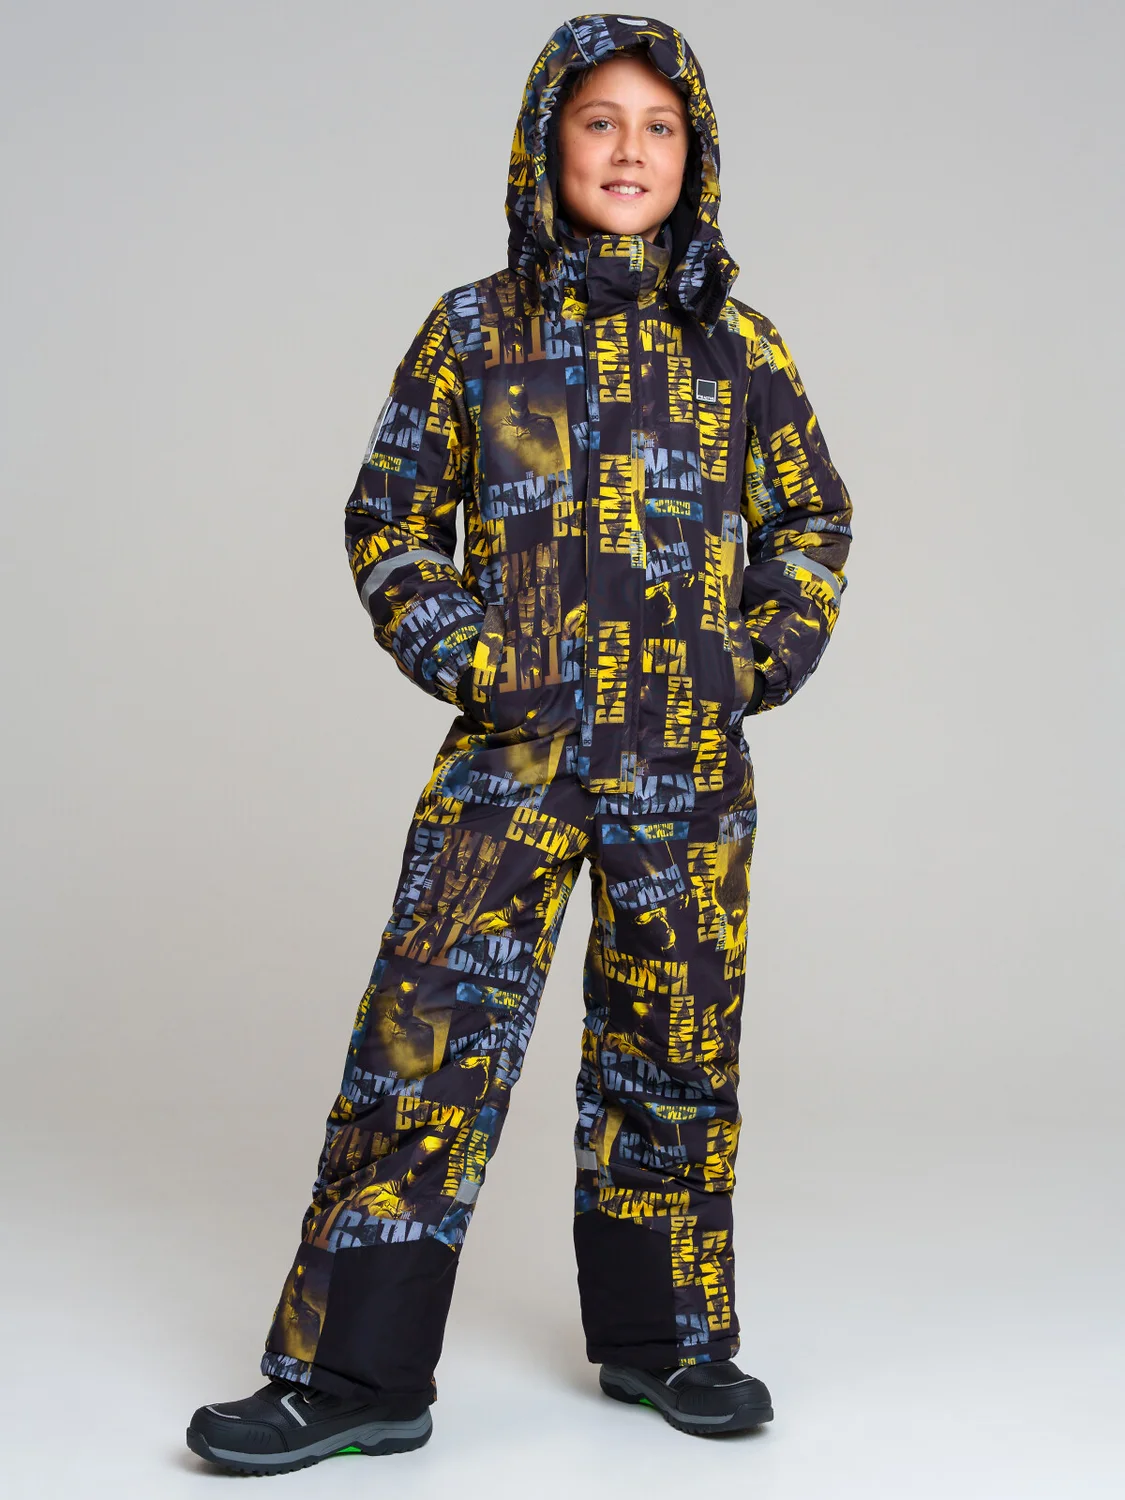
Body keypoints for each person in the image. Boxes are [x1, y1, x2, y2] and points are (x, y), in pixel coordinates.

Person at [186, 12, 853, 1475]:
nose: (629, 150)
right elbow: (388, 518)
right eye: (599, 120)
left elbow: (814, 516)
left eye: (659, 127)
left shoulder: (738, 345)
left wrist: (753, 660)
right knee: (424, 1037)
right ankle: (356, 1374)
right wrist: (480, 665)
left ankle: (667, 1342)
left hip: (685, 766)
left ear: (696, 156)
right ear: (546, 142)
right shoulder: (473, 331)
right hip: (516, 756)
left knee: (674, 1045)